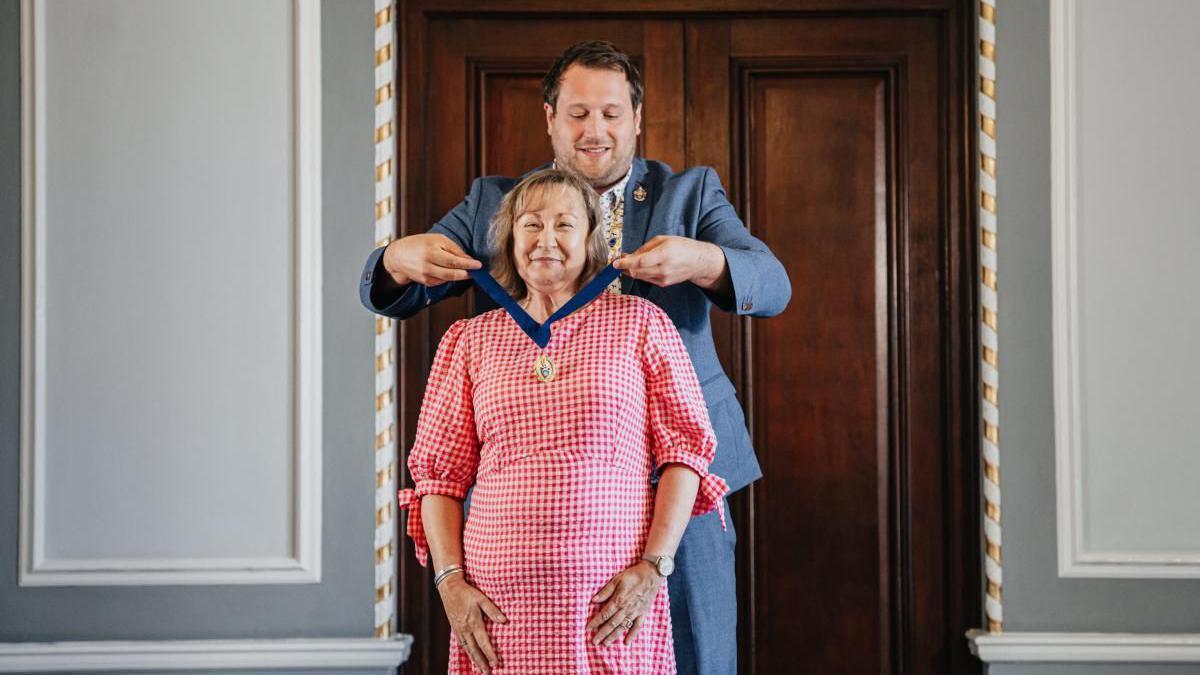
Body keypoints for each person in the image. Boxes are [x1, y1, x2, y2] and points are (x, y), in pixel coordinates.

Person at [360, 41, 791, 674]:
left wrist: (703, 261)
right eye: (578, 113)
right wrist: (396, 260)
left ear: (637, 119)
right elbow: (402, 285)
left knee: (698, 655)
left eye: (612, 114)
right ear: (550, 118)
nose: (595, 131)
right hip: (541, 507)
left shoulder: (692, 195)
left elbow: (773, 285)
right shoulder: (497, 205)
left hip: (684, 479)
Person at [400, 168, 727, 673]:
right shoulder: (469, 340)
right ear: (508, 240)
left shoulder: (641, 324)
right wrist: (450, 584)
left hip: (614, 608)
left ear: (591, 238)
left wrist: (653, 568)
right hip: (498, 614)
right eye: (530, 225)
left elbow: (685, 455)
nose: (545, 240)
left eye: (564, 225)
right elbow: (438, 478)